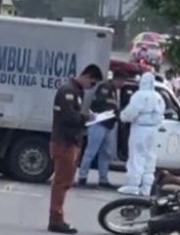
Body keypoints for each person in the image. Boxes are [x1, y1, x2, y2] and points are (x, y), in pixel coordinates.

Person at [47, 63, 102, 234]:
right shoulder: (68, 91)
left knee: (65, 181)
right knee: (61, 182)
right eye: (92, 83)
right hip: (64, 141)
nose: (91, 87)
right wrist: (88, 117)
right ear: (86, 76)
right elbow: (68, 117)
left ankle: (57, 216)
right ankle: (56, 219)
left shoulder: (77, 91)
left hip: (71, 141)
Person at [118, 71, 166, 197]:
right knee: (150, 158)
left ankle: (133, 185)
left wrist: (122, 117)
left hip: (140, 129)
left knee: (136, 156)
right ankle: (146, 187)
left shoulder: (139, 95)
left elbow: (130, 113)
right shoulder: (159, 97)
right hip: (154, 130)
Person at [77, 70, 120, 189]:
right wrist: (113, 112)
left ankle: (103, 179)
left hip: (108, 125)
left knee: (106, 153)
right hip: (99, 123)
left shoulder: (114, 90)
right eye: (122, 81)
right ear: (117, 79)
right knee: (91, 152)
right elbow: (101, 104)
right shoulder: (105, 87)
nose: (123, 83)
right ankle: (82, 177)